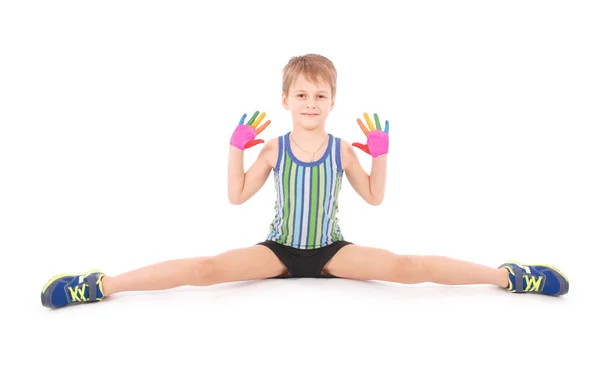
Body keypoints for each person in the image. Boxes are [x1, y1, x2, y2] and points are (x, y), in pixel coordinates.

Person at [40, 53, 569, 308]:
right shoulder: (274, 147)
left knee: (410, 268)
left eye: (320, 96)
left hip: (331, 250)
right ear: (286, 101)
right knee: (203, 270)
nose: (311, 103)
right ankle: (99, 284)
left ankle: (510, 275)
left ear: (332, 101)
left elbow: (375, 198)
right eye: (302, 96)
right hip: (278, 250)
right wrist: (234, 149)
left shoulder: (341, 149)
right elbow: (237, 195)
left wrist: (381, 156)